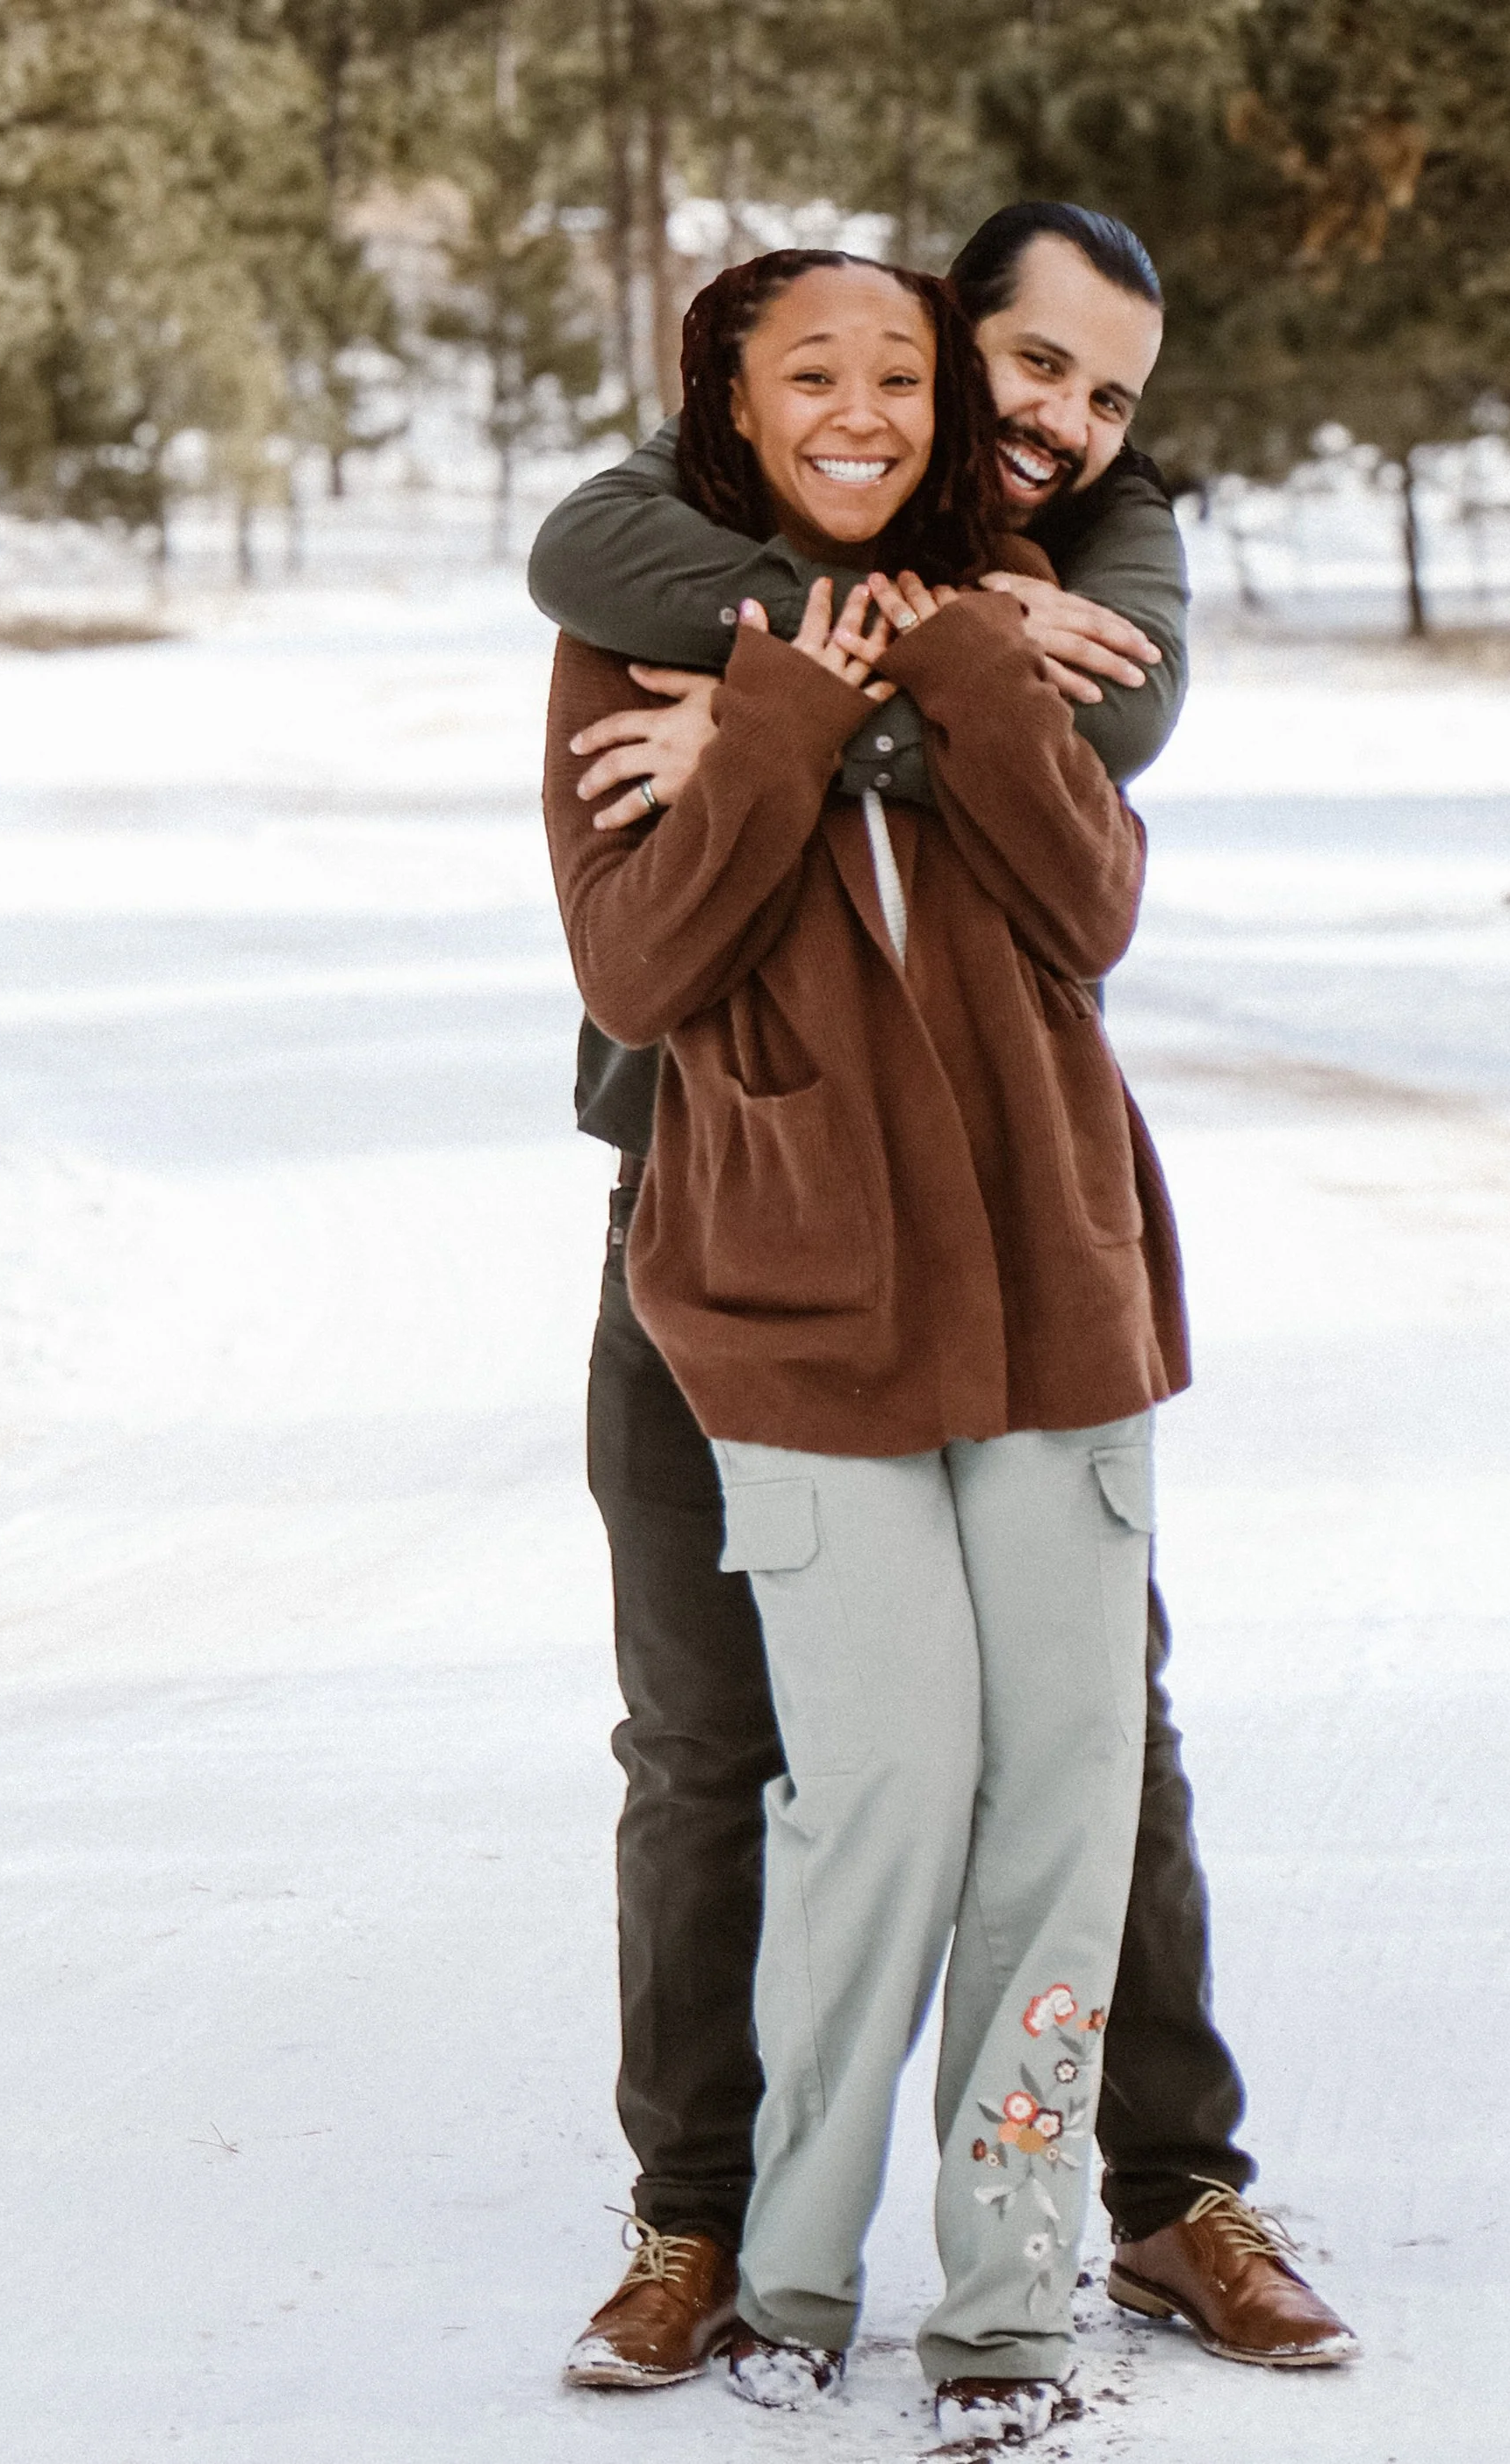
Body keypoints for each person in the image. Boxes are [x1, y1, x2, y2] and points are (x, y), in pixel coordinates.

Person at [534, 206, 1357, 2396]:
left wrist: (854, 710)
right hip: (734, 1237)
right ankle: (710, 2229)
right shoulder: (672, 545)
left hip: (1030, 1263)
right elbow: (615, 815)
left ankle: (1144, 2198)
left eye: (1104, 394)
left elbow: (1100, 848)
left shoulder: (1089, 558)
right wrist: (792, 697)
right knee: (738, 1749)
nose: (1048, 419)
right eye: (1027, 368)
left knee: (1094, 1753)